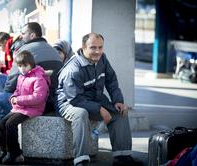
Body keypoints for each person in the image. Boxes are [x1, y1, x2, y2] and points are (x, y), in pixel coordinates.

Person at [0, 22, 62, 153]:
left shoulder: (25, 51)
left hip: (35, 103)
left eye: (23, 33)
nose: (21, 36)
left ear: (32, 35)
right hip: (52, 100)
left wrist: (11, 97)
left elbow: (11, 82)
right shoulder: (53, 50)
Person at [55, 33, 143, 166]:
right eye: (93, 48)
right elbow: (75, 99)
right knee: (80, 113)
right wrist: (99, 109)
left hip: (93, 98)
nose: (97, 51)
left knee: (119, 111)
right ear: (83, 47)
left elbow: (111, 79)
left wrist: (117, 100)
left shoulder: (102, 58)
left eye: (100, 47)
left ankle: (122, 157)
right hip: (68, 102)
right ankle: (81, 160)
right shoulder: (73, 70)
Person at [0, 50, 50, 164]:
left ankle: (14, 153)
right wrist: (13, 97)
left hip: (33, 109)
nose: (22, 68)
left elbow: (39, 97)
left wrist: (18, 100)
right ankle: (3, 151)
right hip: (21, 107)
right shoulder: (21, 77)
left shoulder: (39, 78)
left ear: (31, 64)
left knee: (10, 124)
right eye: (19, 66)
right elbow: (17, 91)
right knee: (2, 123)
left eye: (25, 65)